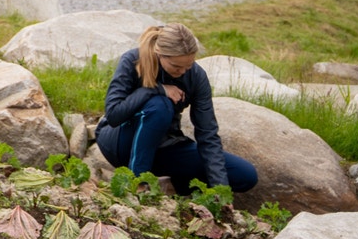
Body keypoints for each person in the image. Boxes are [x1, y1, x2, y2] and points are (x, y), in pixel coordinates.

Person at [94, 22, 258, 198]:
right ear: (160, 54)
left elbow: (207, 135)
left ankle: (171, 186)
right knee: (159, 106)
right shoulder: (132, 60)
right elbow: (113, 115)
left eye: (188, 66)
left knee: (244, 175)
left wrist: (220, 189)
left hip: (163, 146)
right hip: (120, 143)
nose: (183, 72)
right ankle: (137, 183)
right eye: (176, 66)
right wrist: (156, 89)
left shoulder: (196, 77)